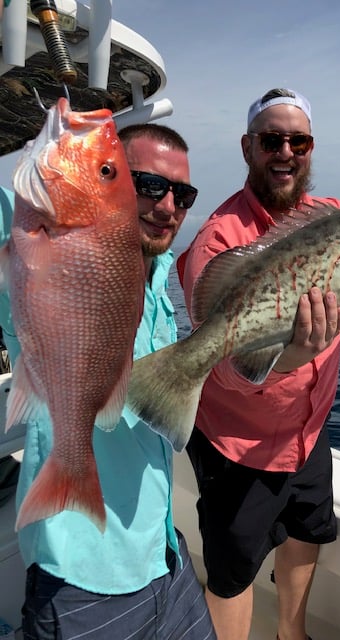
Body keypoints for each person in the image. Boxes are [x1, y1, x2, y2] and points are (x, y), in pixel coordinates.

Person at [177, 88, 340, 640]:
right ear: (248, 147)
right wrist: (286, 359)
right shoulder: (217, 238)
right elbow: (224, 365)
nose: (285, 151)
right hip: (238, 445)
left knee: (305, 532)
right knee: (233, 571)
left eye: (297, 140)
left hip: (309, 431)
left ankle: (291, 633)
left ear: (310, 148)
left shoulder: (334, 216)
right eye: (272, 139)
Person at [0, 124, 216, 639]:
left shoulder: (158, 280)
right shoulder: (40, 245)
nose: (168, 205)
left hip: (164, 555)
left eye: (182, 194)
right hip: (84, 578)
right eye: (145, 184)